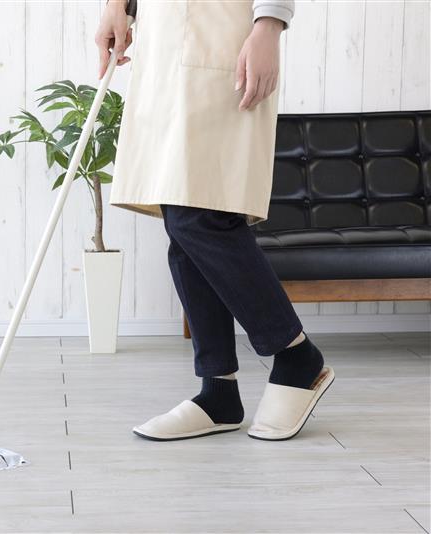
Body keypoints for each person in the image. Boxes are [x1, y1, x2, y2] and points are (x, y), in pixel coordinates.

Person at [95, 0, 334, 441]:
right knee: (181, 219)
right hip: (164, 45)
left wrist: (269, 25)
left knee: (199, 215)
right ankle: (218, 391)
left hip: (225, 39)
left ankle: (296, 355)